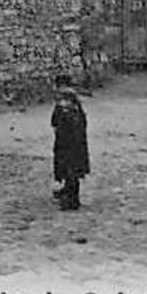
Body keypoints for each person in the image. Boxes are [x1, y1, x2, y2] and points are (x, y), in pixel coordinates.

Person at [50, 79, 89, 211]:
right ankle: (66, 190)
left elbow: (76, 132)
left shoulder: (74, 114)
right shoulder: (64, 111)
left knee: (72, 173)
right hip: (63, 146)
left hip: (73, 148)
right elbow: (54, 122)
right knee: (66, 171)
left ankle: (72, 200)